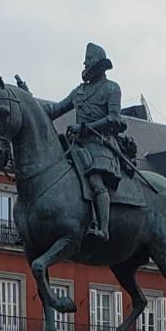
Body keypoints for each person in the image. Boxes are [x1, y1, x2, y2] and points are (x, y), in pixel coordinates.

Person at [33, 43, 126, 243]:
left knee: (95, 180)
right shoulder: (79, 92)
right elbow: (54, 110)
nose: (84, 64)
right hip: (78, 146)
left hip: (102, 145)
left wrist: (84, 127)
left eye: (88, 60)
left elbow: (114, 119)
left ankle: (103, 228)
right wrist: (30, 103)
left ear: (99, 64)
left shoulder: (112, 88)